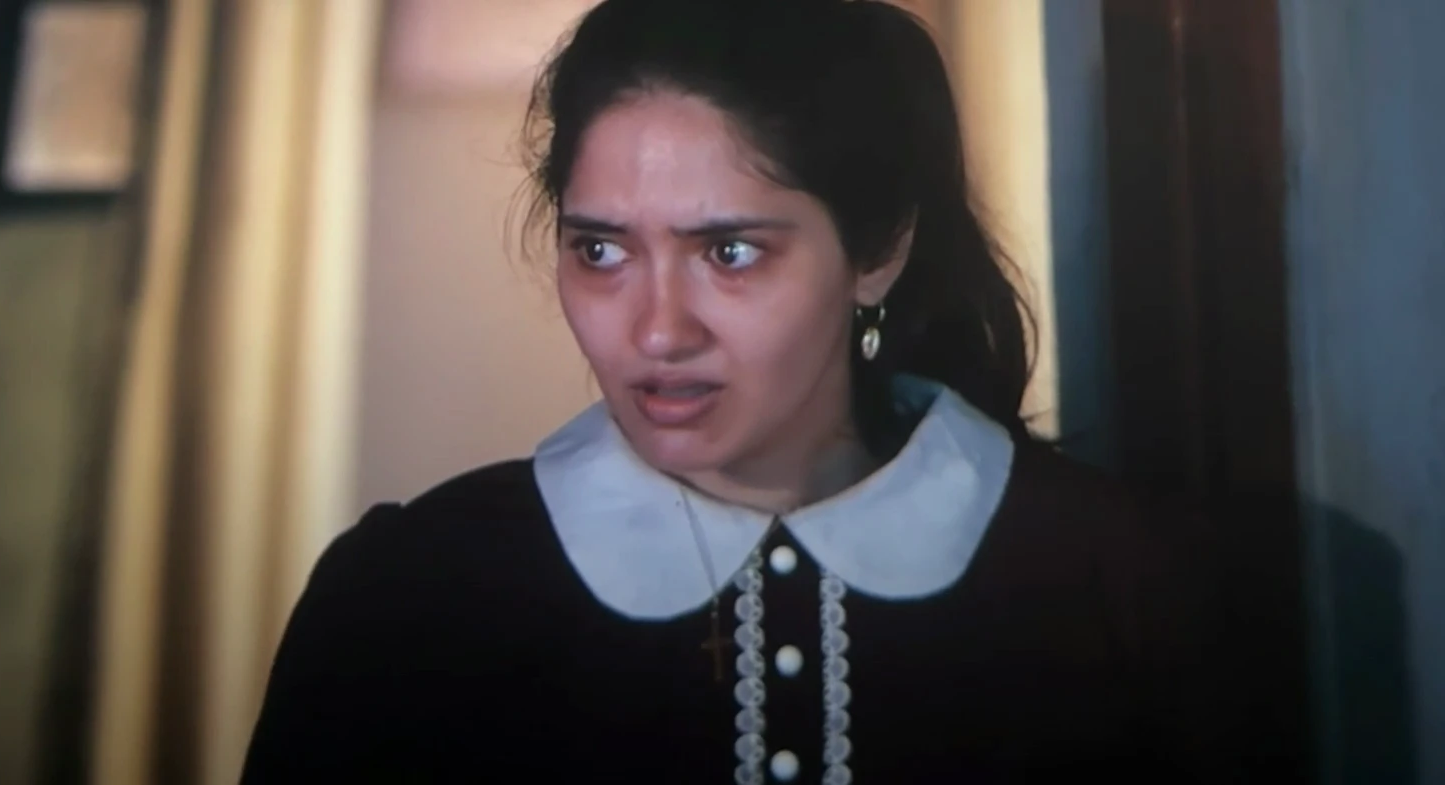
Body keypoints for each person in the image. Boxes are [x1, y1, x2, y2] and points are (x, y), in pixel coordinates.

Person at [241, 0, 1261, 782]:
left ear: (878, 251)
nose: (657, 331)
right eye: (601, 250)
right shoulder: (413, 600)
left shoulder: (1115, 588)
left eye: (729, 252)